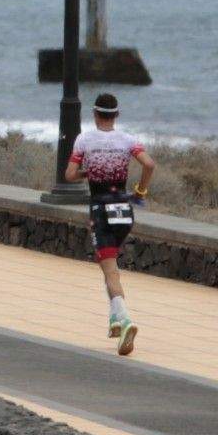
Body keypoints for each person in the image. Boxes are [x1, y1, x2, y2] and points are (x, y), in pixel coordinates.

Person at [63, 92, 154, 357]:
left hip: (100, 209)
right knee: (109, 266)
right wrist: (140, 192)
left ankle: (125, 321)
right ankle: (114, 320)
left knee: (110, 270)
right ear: (116, 115)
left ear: (94, 114)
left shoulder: (85, 139)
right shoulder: (128, 141)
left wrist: (87, 171)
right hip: (125, 210)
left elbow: (69, 175)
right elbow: (149, 164)